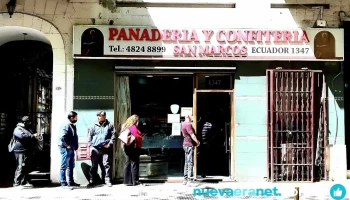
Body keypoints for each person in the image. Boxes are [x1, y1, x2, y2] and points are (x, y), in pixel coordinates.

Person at [88, 111, 116, 187]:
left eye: (102, 116)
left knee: (106, 165)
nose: (100, 117)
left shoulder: (109, 125)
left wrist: (109, 144)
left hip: (105, 148)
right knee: (94, 165)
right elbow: (90, 136)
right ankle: (93, 180)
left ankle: (107, 181)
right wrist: (90, 145)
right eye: (99, 116)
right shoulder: (93, 125)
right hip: (95, 148)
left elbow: (114, 135)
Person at [13, 116, 39, 188]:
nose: (30, 123)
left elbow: (31, 136)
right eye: (28, 122)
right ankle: (16, 183)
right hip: (20, 151)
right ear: (24, 122)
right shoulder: (17, 129)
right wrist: (32, 136)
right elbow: (22, 136)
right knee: (20, 166)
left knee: (25, 167)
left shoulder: (27, 129)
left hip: (26, 150)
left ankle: (23, 182)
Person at [58, 111, 80, 189]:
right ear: (71, 118)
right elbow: (62, 136)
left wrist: (76, 145)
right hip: (65, 148)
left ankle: (71, 182)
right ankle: (63, 183)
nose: (77, 118)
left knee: (71, 165)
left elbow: (74, 136)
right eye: (76, 117)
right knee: (64, 165)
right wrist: (67, 145)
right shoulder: (66, 125)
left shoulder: (72, 125)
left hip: (71, 148)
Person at [122, 114, 143, 186]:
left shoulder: (126, 126)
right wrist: (141, 137)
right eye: (137, 120)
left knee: (128, 163)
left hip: (127, 147)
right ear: (135, 120)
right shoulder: (133, 127)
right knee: (134, 163)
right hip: (133, 148)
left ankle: (127, 181)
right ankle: (135, 181)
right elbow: (137, 136)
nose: (138, 122)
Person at [181, 115, 200, 185]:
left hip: (185, 144)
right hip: (189, 144)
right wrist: (197, 141)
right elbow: (192, 135)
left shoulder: (182, 124)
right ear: (188, 117)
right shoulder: (188, 124)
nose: (192, 118)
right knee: (190, 162)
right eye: (191, 116)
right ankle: (189, 180)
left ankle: (185, 179)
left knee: (186, 162)